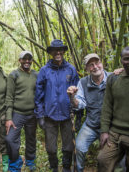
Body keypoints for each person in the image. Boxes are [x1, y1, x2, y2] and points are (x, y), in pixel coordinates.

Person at [35, 39, 79, 172]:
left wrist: (78, 116)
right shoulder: (44, 70)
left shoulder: (71, 69)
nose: (58, 52)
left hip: (67, 114)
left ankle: (66, 167)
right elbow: (38, 94)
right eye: (55, 50)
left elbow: (78, 93)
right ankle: (54, 167)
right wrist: (40, 115)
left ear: (64, 51)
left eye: (60, 49)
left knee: (68, 146)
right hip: (50, 114)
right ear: (51, 52)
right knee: (51, 147)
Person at [67, 53, 111, 172]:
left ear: (102, 63)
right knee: (79, 148)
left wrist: (122, 70)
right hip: (91, 124)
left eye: (97, 63)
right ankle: (78, 170)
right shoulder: (83, 82)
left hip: (111, 126)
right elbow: (80, 104)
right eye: (91, 65)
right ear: (86, 69)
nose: (95, 66)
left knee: (114, 156)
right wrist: (72, 97)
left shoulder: (113, 78)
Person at [5, 51, 38, 171]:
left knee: (31, 138)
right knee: (10, 139)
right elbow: (9, 97)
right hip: (17, 113)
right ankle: (15, 162)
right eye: (24, 59)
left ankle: (30, 161)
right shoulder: (14, 75)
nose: (27, 61)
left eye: (29, 59)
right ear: (20, 60)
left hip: (32, 114)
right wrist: (8, 118)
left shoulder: (36, 75)